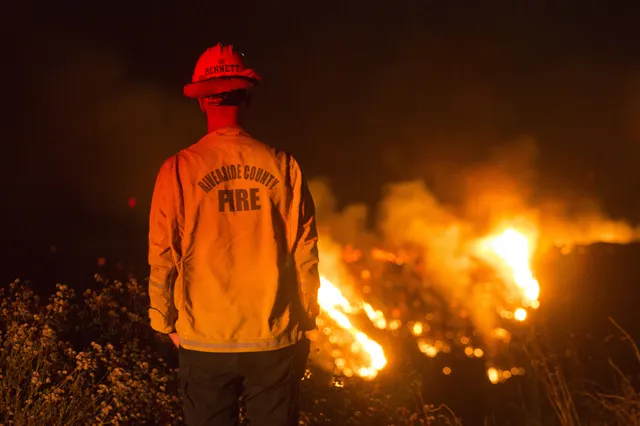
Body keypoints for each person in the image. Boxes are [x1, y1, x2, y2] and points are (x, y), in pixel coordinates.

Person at [147, 43, 320, 426]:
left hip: (204, 339)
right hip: (273, 337)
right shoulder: (283, 166)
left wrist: (164, 323)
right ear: (247, 96)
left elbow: (162, 253)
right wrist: (305, 318)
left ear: (202, 102)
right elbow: (304, 248)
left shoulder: (178, 170)